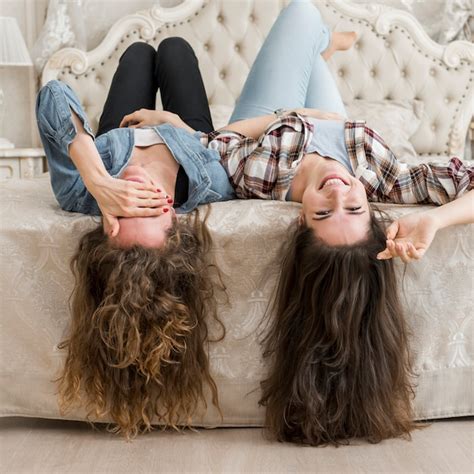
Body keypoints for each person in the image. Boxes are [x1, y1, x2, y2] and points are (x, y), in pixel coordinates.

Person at [196, 0, 472, 446]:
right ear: (373, 208)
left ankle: (320, 43)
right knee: (314, 52)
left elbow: (216, 143)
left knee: (302, 11)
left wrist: (296, 119)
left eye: (324, 211)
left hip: (269, 119)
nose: (339, 190)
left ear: (300, 222)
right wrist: (436, 221)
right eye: (356, 208)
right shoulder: (381, 178)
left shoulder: (260, 175)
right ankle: (322, 51)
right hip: (342, 127)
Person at [36, 39, 234, 438]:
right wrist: (171, 123)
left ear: (108, 231)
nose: (138, 191)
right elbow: (232, 147)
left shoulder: (82, 192)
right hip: (187, 129)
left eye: (128, 209)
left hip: (117, 131)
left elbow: (53, 94)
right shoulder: (210, 184)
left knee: (139, 53)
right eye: (154, 207)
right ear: (174, 221)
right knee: (177, 47)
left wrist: (98, 179)